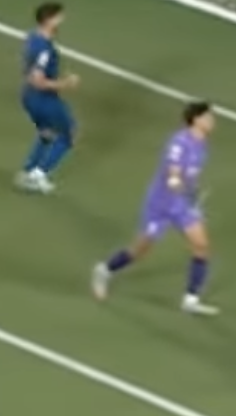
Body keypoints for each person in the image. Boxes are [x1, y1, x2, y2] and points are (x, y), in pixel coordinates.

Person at [90, 101, 220, 317]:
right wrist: (175, 181)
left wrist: (191, 196)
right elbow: (173, 169)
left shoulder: (203, 145)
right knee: (139, 250)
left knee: (201, 245)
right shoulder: (179, 142)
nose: (212, 121)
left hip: (181, 205)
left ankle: (191, 298)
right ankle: (104, 270)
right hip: (160, 204)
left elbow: (191, 176)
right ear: (196, 120)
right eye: (208, 117)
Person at [16, 1, 80, 193]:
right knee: (68, 135)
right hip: (43, 99)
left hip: (28, 96)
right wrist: (65, 83)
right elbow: (38, 81)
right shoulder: (44, 48)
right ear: (48, 20)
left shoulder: (33, 37)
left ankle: (28, 170)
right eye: (58, 17)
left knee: (47, 133)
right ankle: (38, 175)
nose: (62, 20)